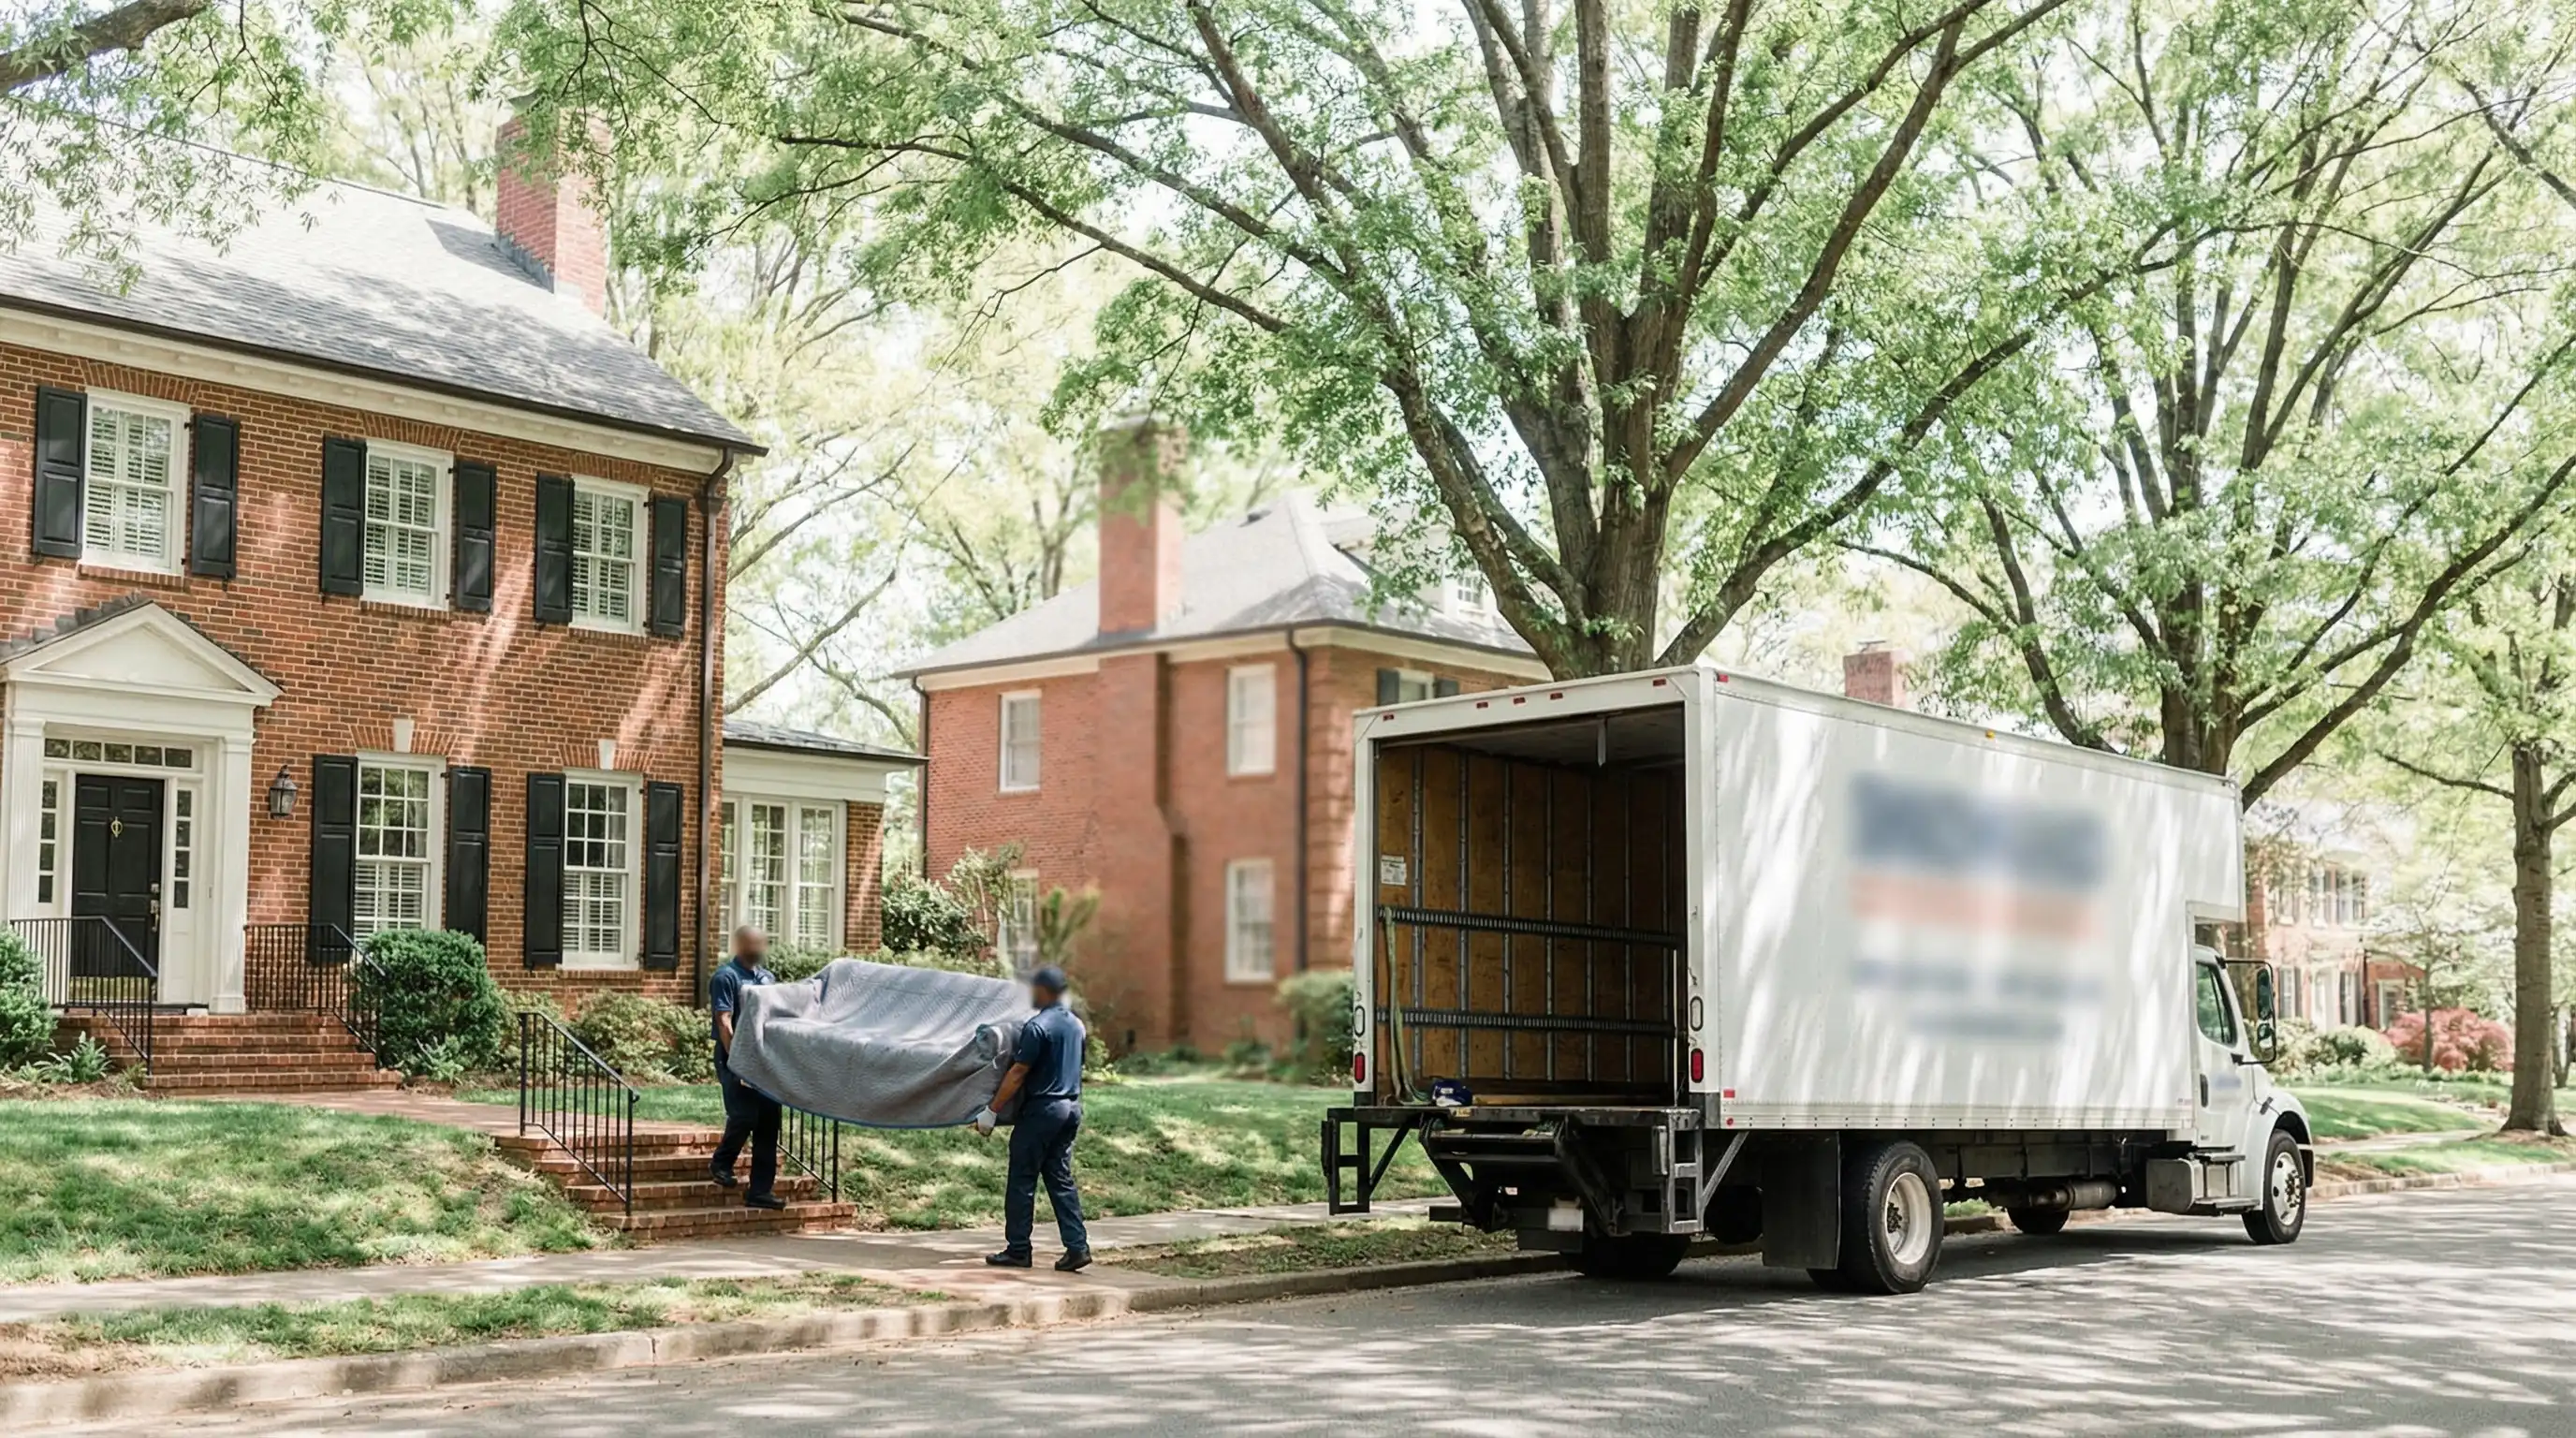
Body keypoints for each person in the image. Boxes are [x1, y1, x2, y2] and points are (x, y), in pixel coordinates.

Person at [977, 965, 1090, 1270]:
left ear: (1043, 990)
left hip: (1043, 1111)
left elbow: (1018, 1073)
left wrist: (992, 1111)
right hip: (1071, 1109)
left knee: (1022, 1179)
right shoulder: (1076, 1026)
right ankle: (1077, 1247)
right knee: (1060, 1178)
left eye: (1034, 989)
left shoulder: (1038, 1026)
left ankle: (1018, 1250)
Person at [708, 925, 784, 1211]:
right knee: (743, 1115)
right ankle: (721, 1164)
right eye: (752, 944)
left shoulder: (768, 978)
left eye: (760, 944)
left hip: (764, 1057)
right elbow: (724, 1020)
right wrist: (736, 1060)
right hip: (734, 1055)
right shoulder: (725, 977)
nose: (757, 950)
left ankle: (760, 1191)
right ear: (740, 946)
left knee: (768, 1122)